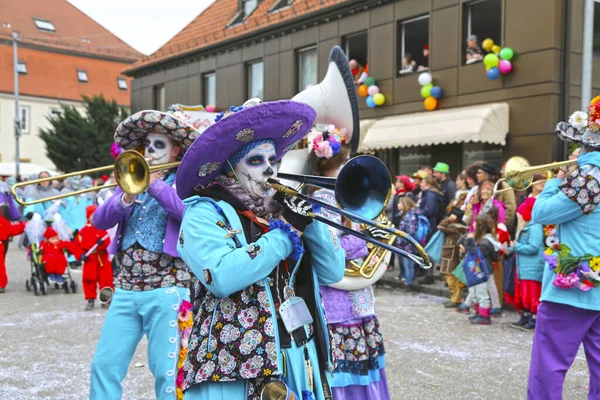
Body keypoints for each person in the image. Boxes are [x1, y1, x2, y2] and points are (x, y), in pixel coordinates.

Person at [175, 98, 346, 400]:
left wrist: (311, 220)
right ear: (230, 167)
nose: (269, 170)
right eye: (256, 161)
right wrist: (285, 234)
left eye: (272, 161)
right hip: (232, 363)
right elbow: (221, 276)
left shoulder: (280, 208)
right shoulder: (203, 212)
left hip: (296, 350)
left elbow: (333, 271)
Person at [90, 107, 198, 399]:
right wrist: (126, 195)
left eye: (158, 145)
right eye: (147, 144)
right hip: (125, 291)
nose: (149, 150)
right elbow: (99, 221)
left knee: (167, 373)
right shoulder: (130, 178)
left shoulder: (185, 181)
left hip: (167, 290)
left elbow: (187, 214)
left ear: (175, 149)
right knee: (104, 365)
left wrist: (153, 184)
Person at [309, 126, 390, 400]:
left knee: (363, 361)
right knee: (346, 368)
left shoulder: (345, 198)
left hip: (354, 296)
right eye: (343, 162)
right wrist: (364, 242)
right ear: (326, 164)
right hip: (337, 301)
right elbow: (328, 250)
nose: (348, 167)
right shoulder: (321, 199)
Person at [527, 101, 600, 399]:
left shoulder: (588, 176)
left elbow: (541, 214)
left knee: (549, 363)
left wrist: (553, 183)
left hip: (573, 285)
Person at [506, 197, 544, 332]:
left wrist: (516, 247)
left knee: (532, 295)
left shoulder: (534, 228)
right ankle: (525, 315)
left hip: (532, 268)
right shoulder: (527, 227)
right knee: (525, 295)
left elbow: (533, 247)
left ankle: (534, 319)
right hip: (525, 268)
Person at [457, 213, 499, 324]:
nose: (473, 224)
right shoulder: (481, 239)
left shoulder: (485, 242)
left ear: (480, 226)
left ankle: (484, 316)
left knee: (481, 294)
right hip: (475, 271)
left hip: (482, 272)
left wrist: (469, 241)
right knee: (474, 293)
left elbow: (474, 253)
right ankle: (478, 312)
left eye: (475, 222)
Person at [74, 205, 113, 311]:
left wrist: (102, 243)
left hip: (102, 258)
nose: (94, 217)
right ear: (88, 217)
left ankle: (105, 300)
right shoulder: (83, 232)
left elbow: (109, 244)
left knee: (106, 280)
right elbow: (77, 245)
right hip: (90, 259)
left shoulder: (103, 229)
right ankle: (90, 300)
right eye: (92, 215)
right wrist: (81, 254)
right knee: (89, 279)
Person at [437, 209, 468, 308]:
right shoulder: (460, 227)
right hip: (450, 256)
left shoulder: (455, 228)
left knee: (451, 279)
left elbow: (440, 226)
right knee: (451, 279)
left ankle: (456, 299)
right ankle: (454, 298)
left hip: (451, 256)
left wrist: (449, 219)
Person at [417, 176, 443, 285]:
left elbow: (429, 210)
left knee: (427, 249)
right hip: (429, 224)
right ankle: (427, 273)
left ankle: (429, 275)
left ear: (427, 183)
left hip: (428, 225)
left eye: (422, 182)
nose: (420, 184)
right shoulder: (429, 194)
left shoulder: (430, 195)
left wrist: (418, 211)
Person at [477, 162, 517, 231]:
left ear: (486, 174)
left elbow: (510, 208)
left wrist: (502, 226)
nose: (477, 175)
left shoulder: (504, 186)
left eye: (480, 173)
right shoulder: (480, 187)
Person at [396, 196, 422, 289]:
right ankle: (406, 281)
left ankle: (409, 284)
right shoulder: (404, 214)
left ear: (404, 204)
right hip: (403, 245)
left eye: (399, 203)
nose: (398, 205)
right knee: (405, 264)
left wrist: (402, 240)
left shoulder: (411, 216)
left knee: (409, 265)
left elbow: (411, 232)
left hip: (408, 246)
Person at [0, 213, 27, 293]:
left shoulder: (3, 222)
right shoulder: (3, 221)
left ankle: (1, 284)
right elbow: (13, 229)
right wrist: (24, 225)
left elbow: (12, 229)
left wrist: (24, 225)